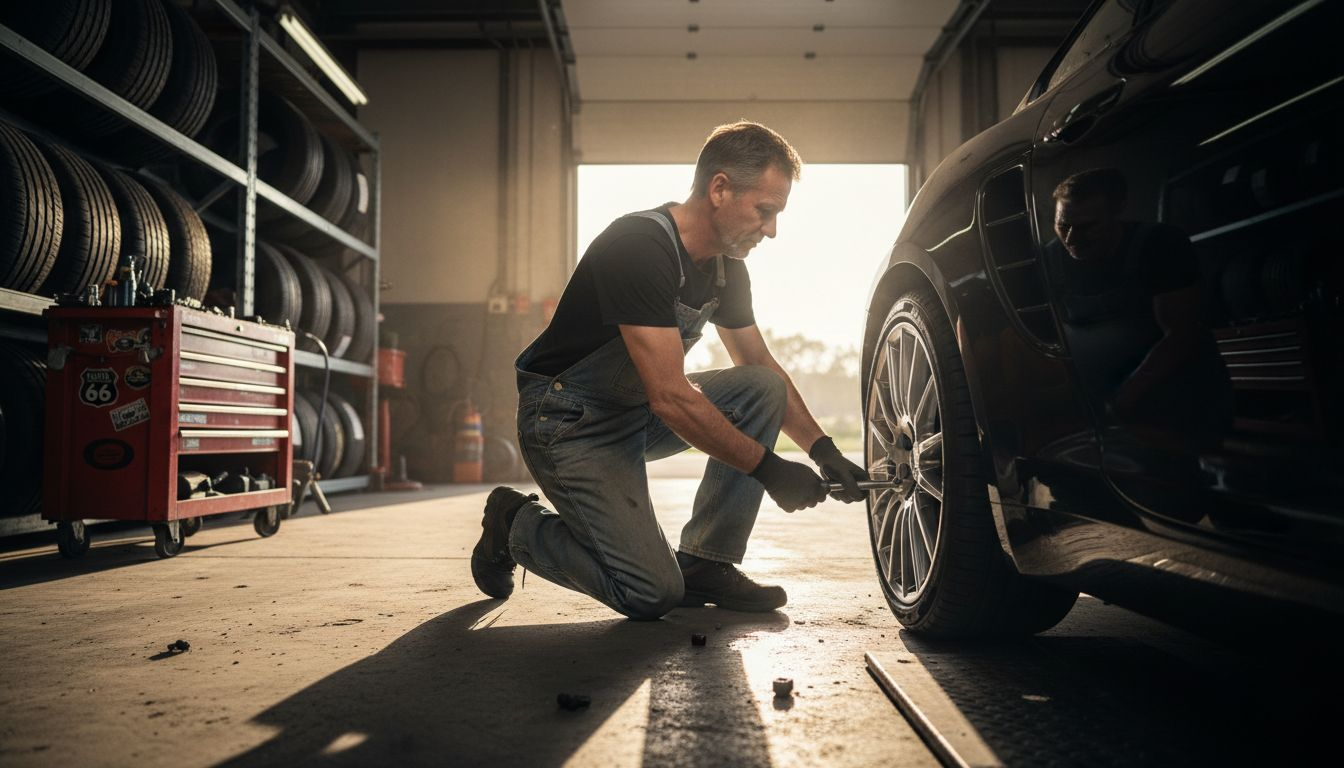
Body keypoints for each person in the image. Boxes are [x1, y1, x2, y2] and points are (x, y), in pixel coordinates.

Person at [470, 121, 869, 620]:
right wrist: (769, 470)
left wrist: (822, 449)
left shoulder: (727, 268)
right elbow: (670, 396)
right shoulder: (639, 247)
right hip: (568, 423)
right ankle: (515, 525)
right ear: (720, 189)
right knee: (649, 592)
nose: (771, 230)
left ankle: (707, 562)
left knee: (760, 387)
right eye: (764, 212)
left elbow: (759, 362)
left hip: (632, 413)